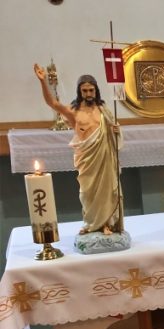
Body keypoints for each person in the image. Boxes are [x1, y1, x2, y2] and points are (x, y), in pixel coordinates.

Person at [34, 64, 123, 235]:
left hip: (104, 156)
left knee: (105, 191)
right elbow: (52, 103)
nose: (88, 94)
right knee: (87, 193)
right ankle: (90, 223)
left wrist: (116, 130)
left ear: (96, 91)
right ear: (79, 92)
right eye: (85, 91)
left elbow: (113, 129)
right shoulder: (73, 111)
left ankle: (106, 223)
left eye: (91, 90)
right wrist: (43, 81)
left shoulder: (103, 110)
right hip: (86, 158)